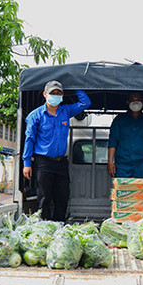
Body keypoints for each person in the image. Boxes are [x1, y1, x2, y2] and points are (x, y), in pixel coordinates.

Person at [22, 80, 91, 221]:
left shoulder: (66, 111)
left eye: (59, 93)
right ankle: (45, 227)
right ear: (45, 94)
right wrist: (26, 163)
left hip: (61, 163)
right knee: (44, 198)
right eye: (52, 93)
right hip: (43, 163)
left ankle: (59, 225)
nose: (56, 95)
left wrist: (74, 84)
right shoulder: (35, 116)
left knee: (63, 196)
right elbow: (30, 139)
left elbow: (85, 103)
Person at [107, 93, 143, 178]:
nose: (135, 102)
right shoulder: (119, 120)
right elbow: (113, 142)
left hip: (142, 165)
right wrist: (110, 162)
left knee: (141, 190)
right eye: (133, 100)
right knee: (122, 190)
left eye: (138, 100)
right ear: (128, 102)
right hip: (122, 165)